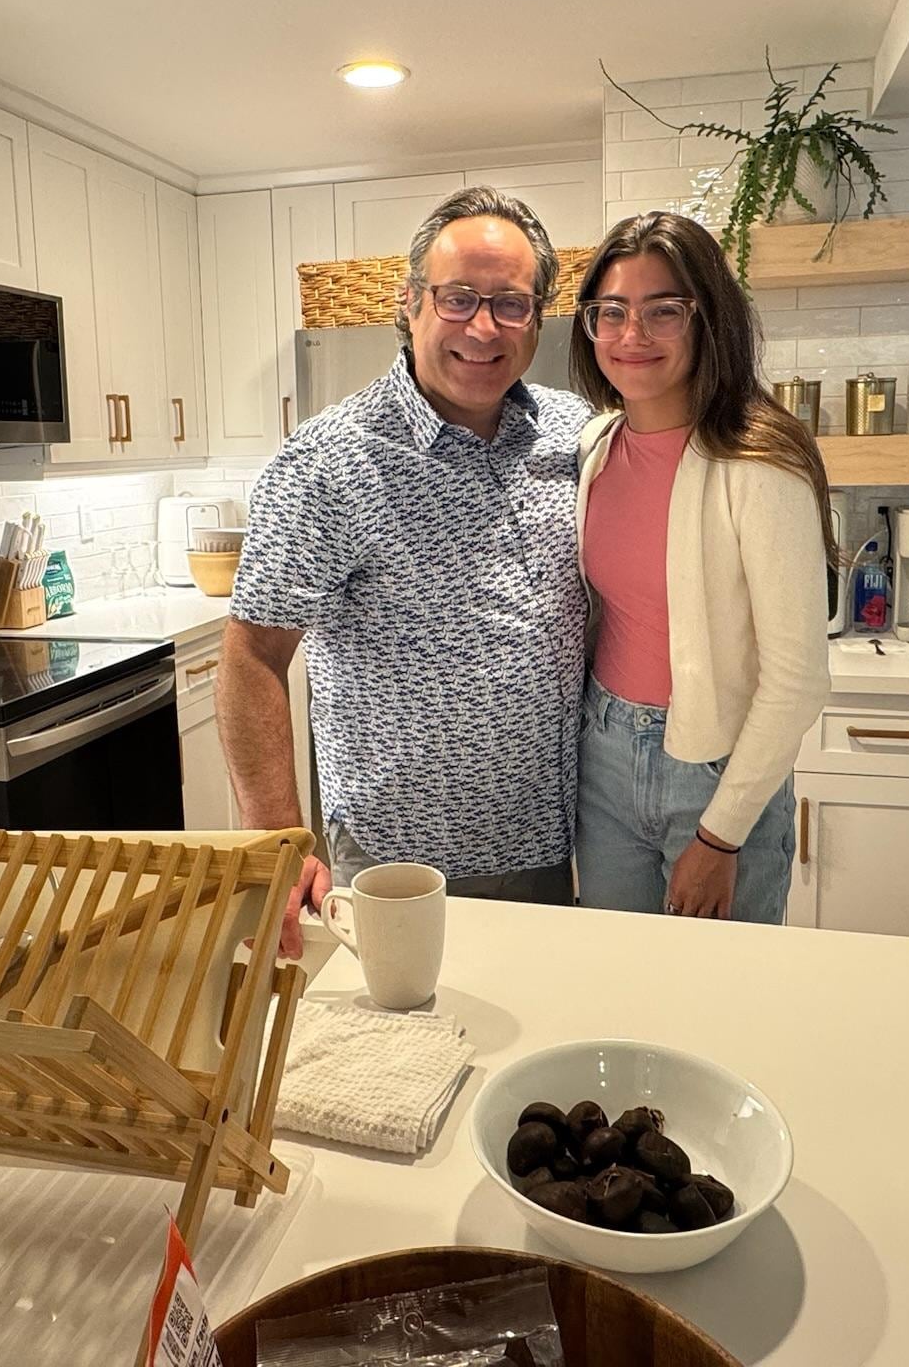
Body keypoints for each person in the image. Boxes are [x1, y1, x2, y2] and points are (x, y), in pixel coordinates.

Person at [218, 186, 593, 956]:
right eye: (458, 299)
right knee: (397, 1062)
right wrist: (278, 839)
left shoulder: (576, 435)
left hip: (555, 847)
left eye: (510, 304)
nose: (482, 328)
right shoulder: (328, 461)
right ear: (412, 302)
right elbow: (253, 654)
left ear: (538, 316)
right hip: (396, 863)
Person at [570, 209, 834, 922]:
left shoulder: (758, 461)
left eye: (664, 311)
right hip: (604, 757)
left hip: (717, 771)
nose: (632, 335)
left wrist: (721, 836)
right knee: (621, 987)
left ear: (708, 318)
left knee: (723, 1001)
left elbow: (798, 678)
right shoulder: (595, 446)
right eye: (612, 311)